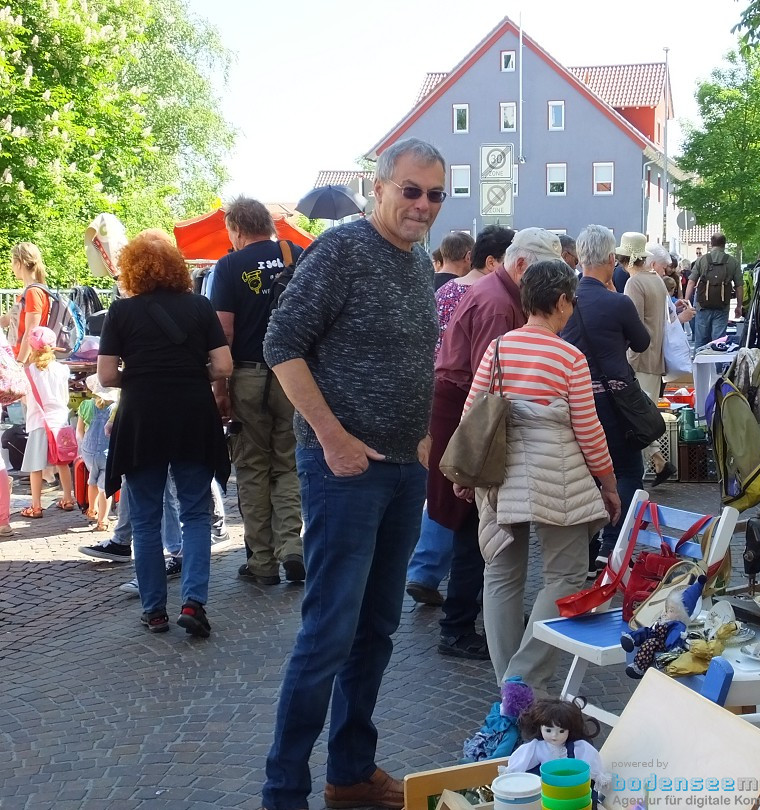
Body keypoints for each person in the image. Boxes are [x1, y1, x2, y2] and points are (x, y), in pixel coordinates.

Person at [259, 138, 445, 810]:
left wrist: (422, 435)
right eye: (411, 190)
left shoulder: (419, 263)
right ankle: (284, 790)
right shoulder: (341, 250)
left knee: (377, 630)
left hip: (401, 473)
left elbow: (413, 359)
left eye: (434, 194)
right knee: (328, 633)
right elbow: (280, 343)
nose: (422, 205)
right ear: (380, 186)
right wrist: (332, 437)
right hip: (344, 472)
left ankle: (350, 773)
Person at [460, 260, 618, 689]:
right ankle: (523, 679)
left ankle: (507, 683)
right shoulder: (569, 357)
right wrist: (607, 481)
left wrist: (467, 471)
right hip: (558, 475)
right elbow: (588, 429)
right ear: (562, 301)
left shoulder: (498, 349)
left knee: (501, 574)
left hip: (500, 472)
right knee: (564, 576)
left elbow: (473, 413)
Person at [427, 227, 562, 660]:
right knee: (476, 524)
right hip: (473, 418)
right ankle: (458, 625)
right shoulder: (499, 304)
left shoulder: (498, 293)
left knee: (480, 524)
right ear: (521, 264)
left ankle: (482, 616)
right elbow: (495, 388)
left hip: (469, 411)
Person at [98, 230, 232, 637]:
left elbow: (105, 374)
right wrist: (191, 375)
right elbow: (224, 366)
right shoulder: (200, 306)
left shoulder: (121, 312)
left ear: (131, 270)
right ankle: (194, 603)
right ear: (177, 268)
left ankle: (154, 610)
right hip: (192, 412)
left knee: (145, 519)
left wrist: (139, 375)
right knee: (194, 513)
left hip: (142, 416)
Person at [406, 225, 515, 608]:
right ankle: (444, 582)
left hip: (437, 390)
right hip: (464, 398)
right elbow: (486, 371)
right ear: (494, 261)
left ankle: (423, 570)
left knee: (443, 486)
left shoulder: (448, 291)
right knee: (460, 489)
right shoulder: (492, 299)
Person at [211, 196, 305, 587]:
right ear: (268, 224)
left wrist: (221, 389)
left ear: (235, 228)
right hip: (295, 376)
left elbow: (224, 334)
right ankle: (292, 548)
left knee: (252, 468)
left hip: (248, 376)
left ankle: (262, 562)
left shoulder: (229, 265)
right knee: (289, 463)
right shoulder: (297, 255)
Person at [559, 225, 649, 566]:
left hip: (577, 399)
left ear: (580, 258)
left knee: (585, 473)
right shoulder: (618, 303)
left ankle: (585, 547)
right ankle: (613, 546)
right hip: (616, 401)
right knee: (626, 470)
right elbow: (641, 342)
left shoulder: (565, 301)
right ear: (612, 259)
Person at [628, 244, 677, 486]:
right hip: (655, 356)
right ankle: (658, 461)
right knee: (644, 414)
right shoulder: (657, 280)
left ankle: (657, 462)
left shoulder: (635, 283)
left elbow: (632, 323)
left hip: (640, 357)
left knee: (637, 416)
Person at [19, 326, 75, 517]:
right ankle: (68, 498)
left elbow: (26, 399)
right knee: (62, 463)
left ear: (32, 348)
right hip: (59, 421)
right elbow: (65, 397)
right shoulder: (62, 370)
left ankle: (36, 506)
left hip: (38, 421)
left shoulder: (29, 372)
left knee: (36, 467)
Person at [686, 233, 742, 350]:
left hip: (702, 305)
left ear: (711, 244)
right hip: (722, 306)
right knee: (718, 341)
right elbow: (739, 286)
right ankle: (717, 368)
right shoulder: (733, 262)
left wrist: (686, 302)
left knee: (701, 340)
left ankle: (700, 367)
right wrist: (739, 306)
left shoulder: (702, 260)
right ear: (724, 244)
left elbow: (691, 282)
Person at [77, 374, 118, 531]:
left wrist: (82, 448)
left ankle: (92, 509)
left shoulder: (85, 405)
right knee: (105, 487)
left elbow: (79, 432)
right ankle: (103, 520)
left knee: (91, 480)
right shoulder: (116, 408)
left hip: (88, 450)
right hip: (108, 452)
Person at [3, 243, 51, 364]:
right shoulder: (26, 293)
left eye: (12, 263)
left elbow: (31, 332)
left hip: (28, 361)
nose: (11, 267)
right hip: (20, 358)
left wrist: (20, 364)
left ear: (19, 264)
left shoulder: (33, 293)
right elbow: (5, 320)